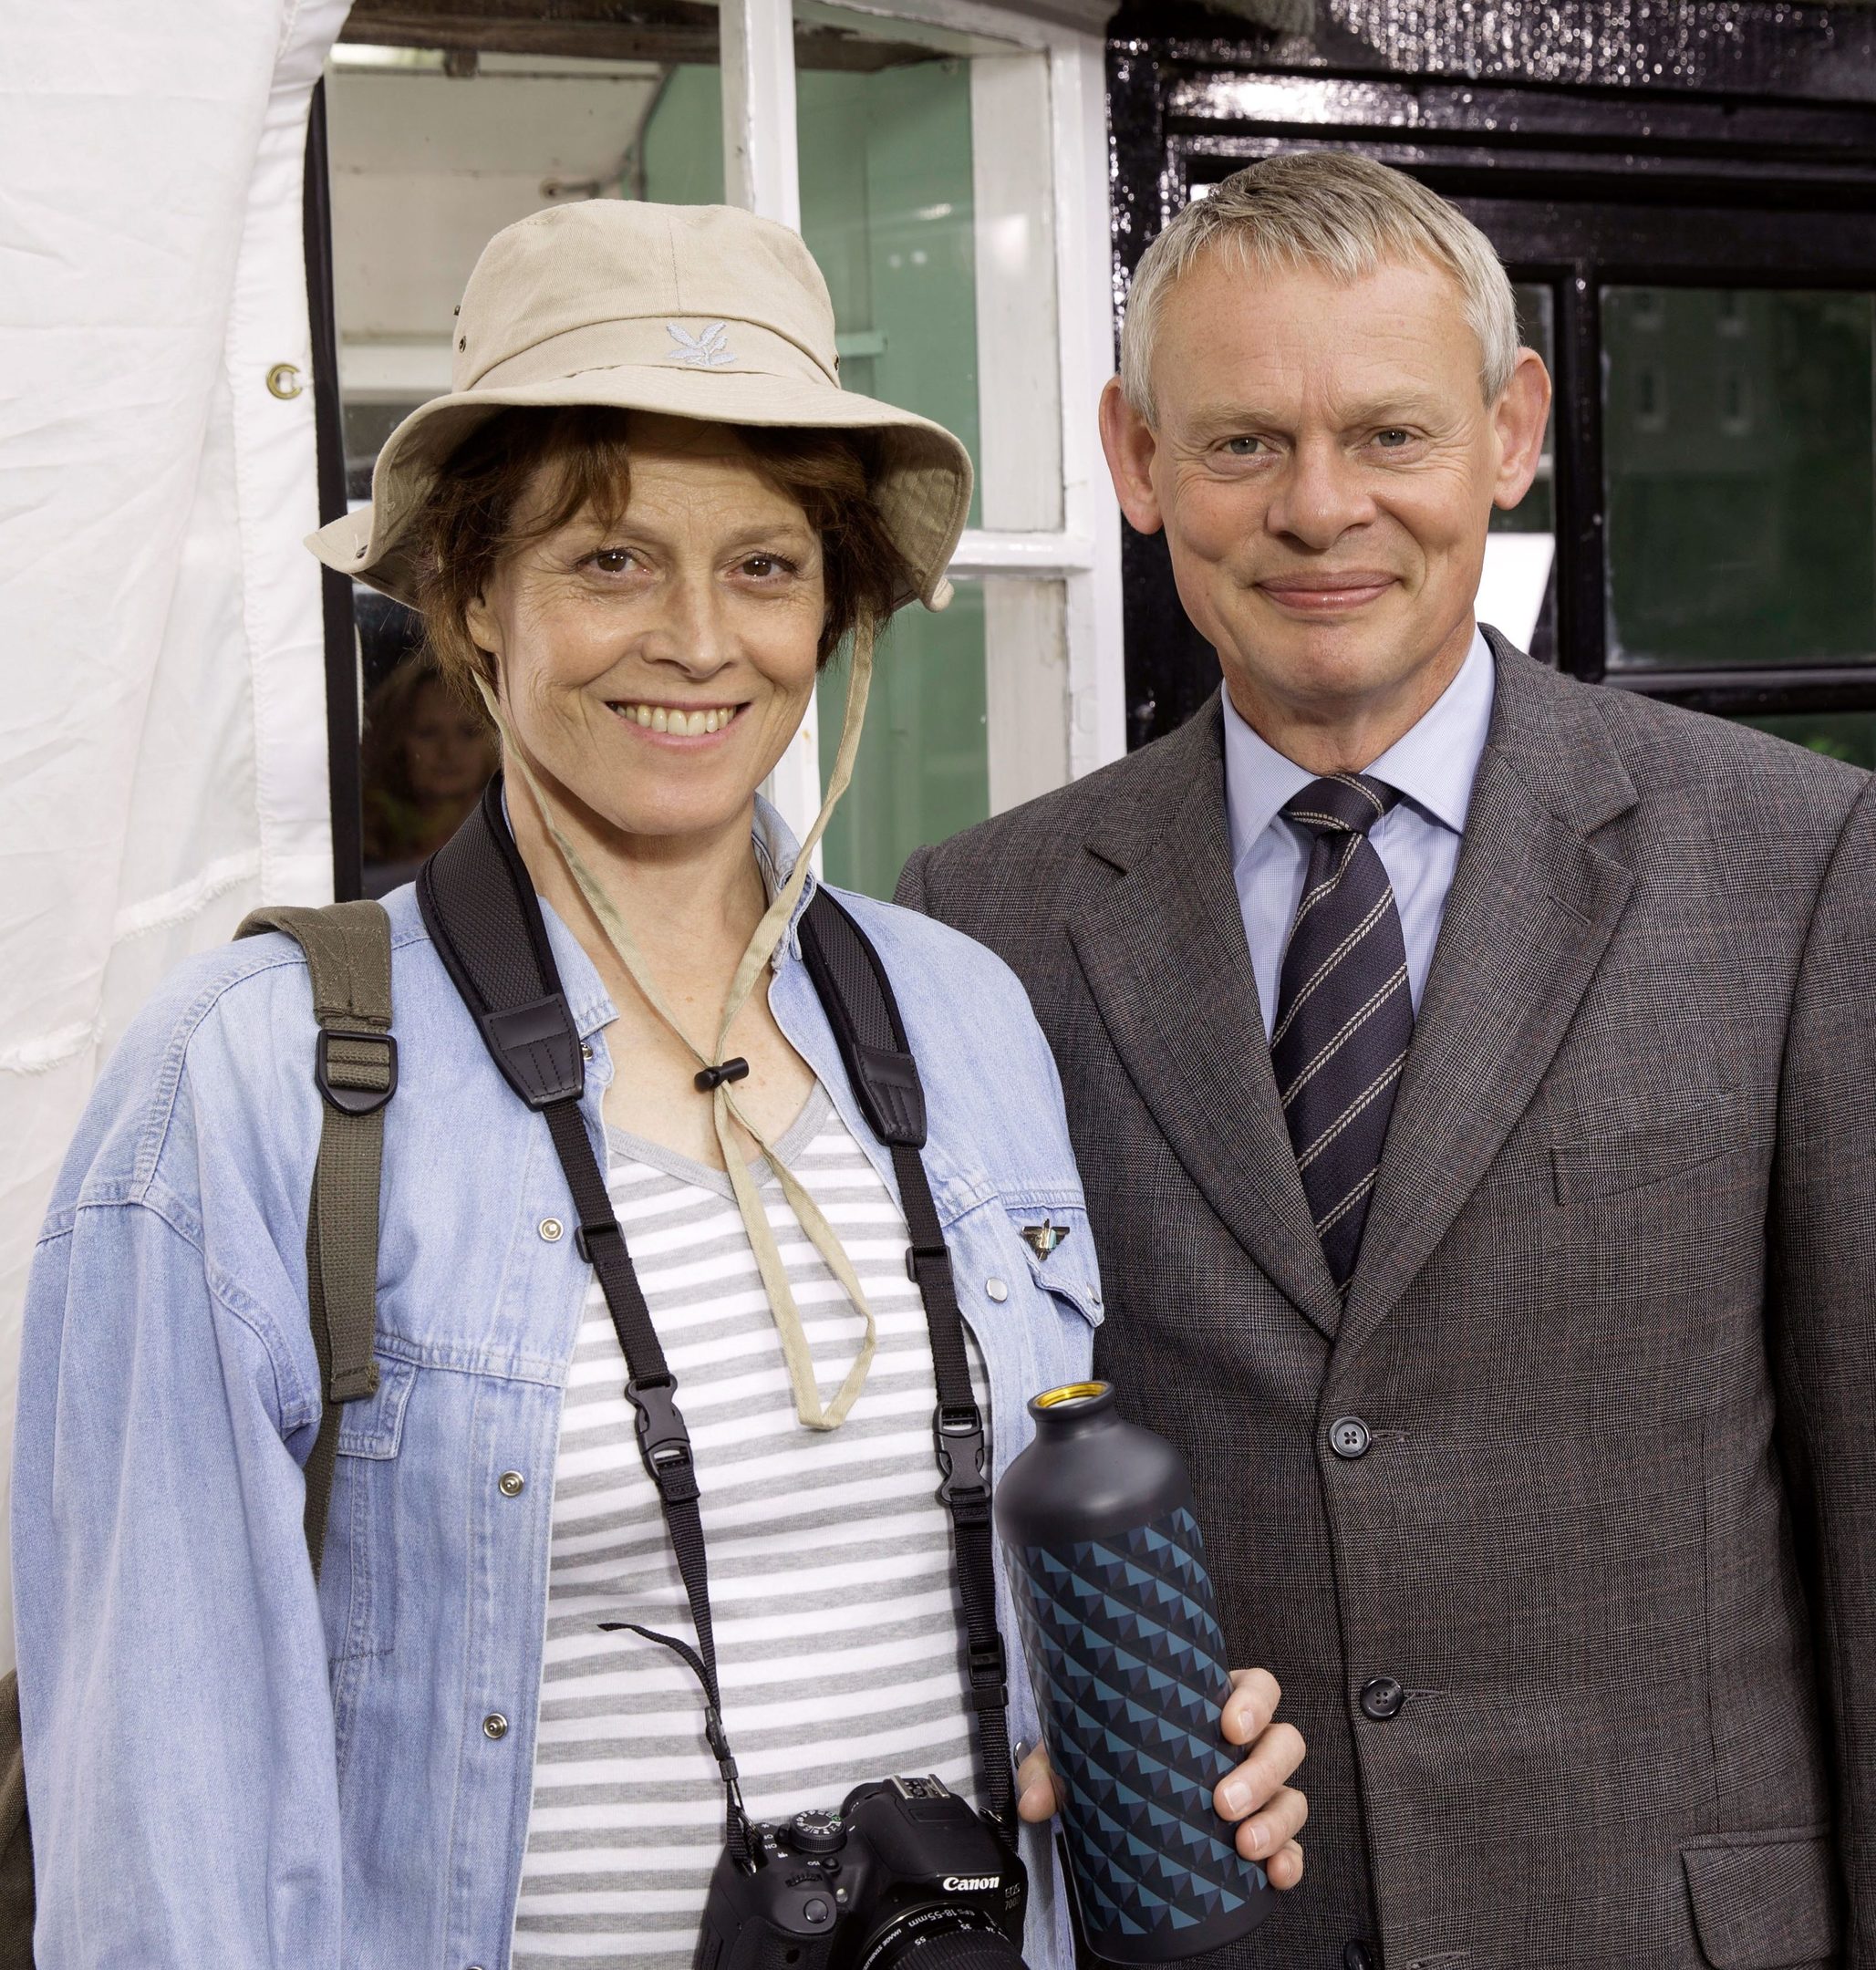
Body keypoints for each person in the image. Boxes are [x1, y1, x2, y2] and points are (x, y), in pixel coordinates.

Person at [11, 200, 1308, 1968]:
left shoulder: (959, 1016)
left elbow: (1006, 1595)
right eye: (608, 560)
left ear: (835, 606)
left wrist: (1163, 1744)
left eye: (764, 566)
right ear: (470, 595)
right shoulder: (251, 1081)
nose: (696, 639)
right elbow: (158, 1825)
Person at [900, 150, 1876, 1970]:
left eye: (1387, 435)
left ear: (1507, 435)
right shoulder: (983, 917)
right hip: (1205, 1936)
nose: (1317, 506)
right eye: (1242, 443)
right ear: (1132, 460)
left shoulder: (1800, 867)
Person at [359, 651, 499, 894]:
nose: (449, 751)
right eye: (428, 733)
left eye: (468, 732)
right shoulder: (358, 842)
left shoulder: (516, 838)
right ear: (397, 741)